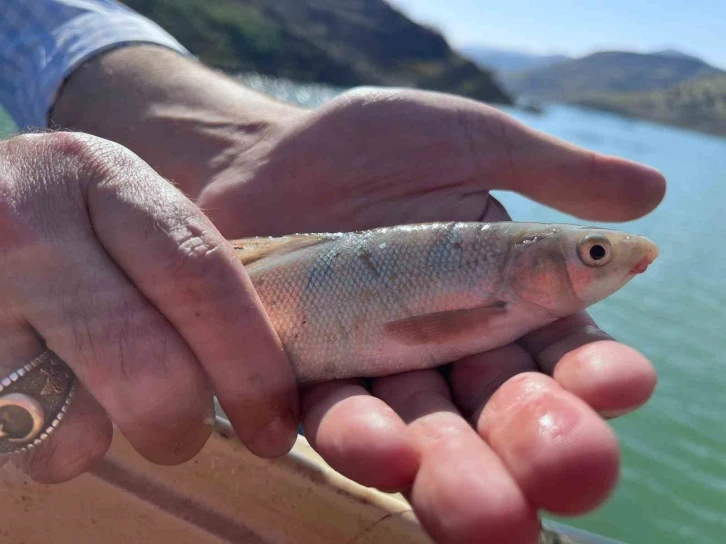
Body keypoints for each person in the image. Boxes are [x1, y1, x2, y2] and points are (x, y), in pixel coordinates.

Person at [0, 1, 665, 542]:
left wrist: (236, 142)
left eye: (596, 252)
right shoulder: (501, 298)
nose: (618, 261)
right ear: (528, 262)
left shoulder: (508, 292)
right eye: (595, 253)